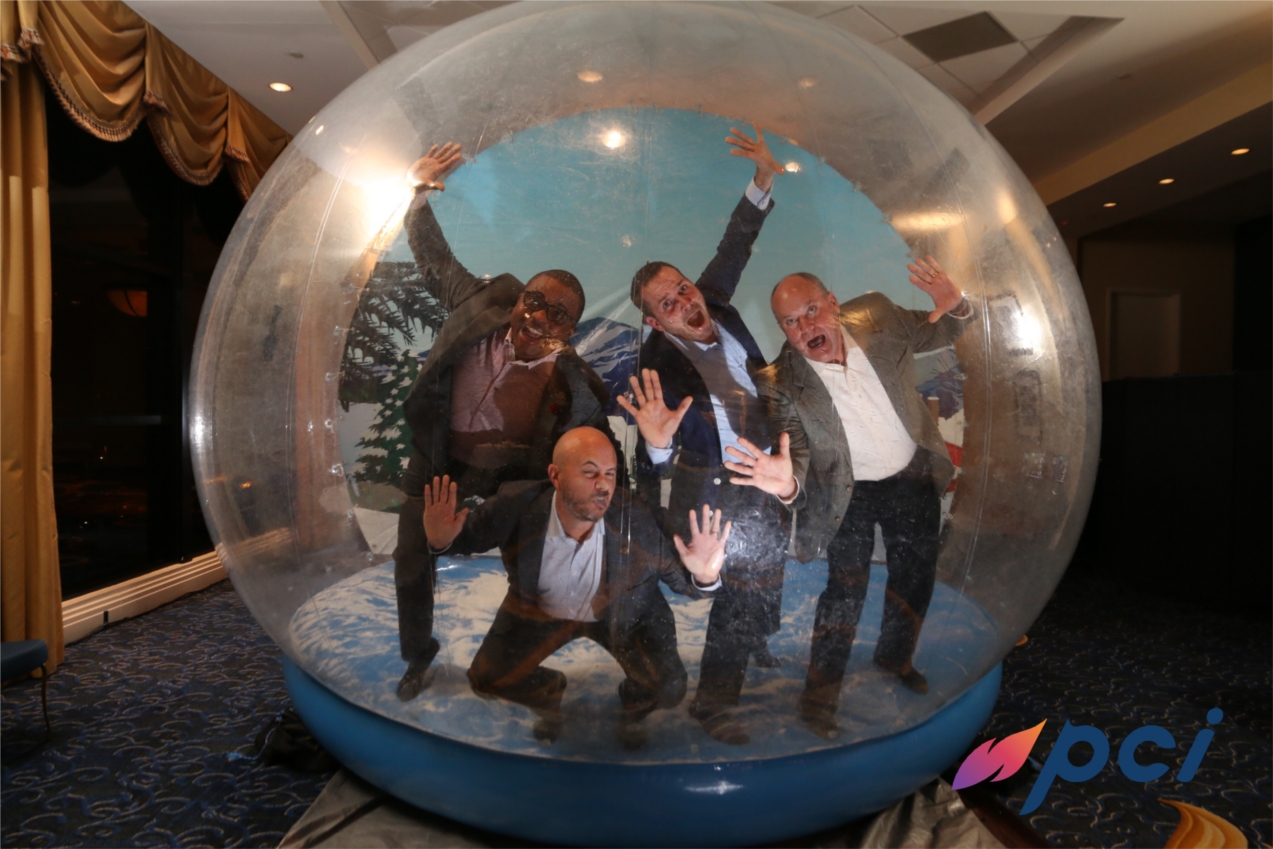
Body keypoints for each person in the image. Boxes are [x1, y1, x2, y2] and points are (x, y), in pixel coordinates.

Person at [392, 143, 614, 702]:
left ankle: (518, 666)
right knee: (413, 562)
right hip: (441, 461)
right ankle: (419, 657)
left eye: (557, 314)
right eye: (534, 300)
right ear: (519, 298)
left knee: (529, 571)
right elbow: (432, 257)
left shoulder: (575, 385)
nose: (538, 316)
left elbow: (604, 455)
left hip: (513, 480)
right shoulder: (476, 305)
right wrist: (418, 192)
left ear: (571, 331)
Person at [724, 258, 974, 740]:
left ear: (834, 304)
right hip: (847, 493)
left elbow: (938, 334)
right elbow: (794, 455)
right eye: (791, 322)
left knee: (915, 576)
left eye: (813, 310)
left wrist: (955, 305)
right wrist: (787, 484)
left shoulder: (878, 314)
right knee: (844, 592)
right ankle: (819, 699)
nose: (806, 327)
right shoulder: (780, 382)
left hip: (910, 475)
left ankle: (895, 657)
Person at [617, 126, 788, 746]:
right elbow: (653, 454)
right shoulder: (654, 364)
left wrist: (763, 179)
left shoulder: (717, 302)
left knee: (764, 576)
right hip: (709, 483)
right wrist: (659, 442)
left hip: (767, 467)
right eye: (667, 302)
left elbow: (735, 245)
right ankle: (714, 703)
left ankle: (754, 636)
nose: (684, 300)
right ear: (654, 319)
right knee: (730, 588)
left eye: (683, 287)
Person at [420, 427, 730, 749]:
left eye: (610, 474)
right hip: (542, 613)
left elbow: (685, 582)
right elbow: (466, 535)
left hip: (622, 617)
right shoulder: (516, 504)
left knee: (669, 687)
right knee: (487, 678)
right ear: (555, 476)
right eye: (589, 472)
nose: (603, 485)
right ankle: (550, 691)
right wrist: (440, 540)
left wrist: (704, 575)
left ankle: (633, 706)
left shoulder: (635, 519)